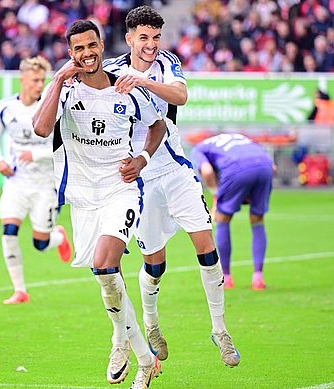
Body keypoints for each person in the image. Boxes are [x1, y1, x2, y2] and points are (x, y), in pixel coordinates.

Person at [33, 20, 168, 389]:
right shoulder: (64, 89)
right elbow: (42, 128)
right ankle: (123, 340)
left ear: (101, 44)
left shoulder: (126, 86)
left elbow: (158, 126)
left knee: (105, 263)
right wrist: (58, 80)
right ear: (71, 53)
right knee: (108, 278)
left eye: (91, 45)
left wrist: (141, 158)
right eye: (78, 49)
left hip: (121, 189)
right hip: (82, 197)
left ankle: (139, 357)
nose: (86, 54)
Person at [103, 5, 240, 367]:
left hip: (175, 169)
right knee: (155, 263)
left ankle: (220, 330)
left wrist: (143, 80)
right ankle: (151, 325)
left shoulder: (167, 64)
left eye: (156, 37)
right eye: (143, 38)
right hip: (141, 180)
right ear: (129, 38)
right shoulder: (111, 71)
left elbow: (180, 97)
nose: (151, 44)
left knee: (205, 244)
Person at [0, 56, 72, 305]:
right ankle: (20, 290)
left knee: (40, 243)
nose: (39, 85)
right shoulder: (6, 107)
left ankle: (57, 236)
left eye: (42, 80)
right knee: (9, 232)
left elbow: (63, 147)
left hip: (45, 185)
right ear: (22, 79)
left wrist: (34, 154)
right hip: (16, 183)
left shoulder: (50, 108)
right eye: (35, 80)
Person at [189, 133, 274, 290]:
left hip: (236, 168)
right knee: (257, 220)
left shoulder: (198, 149)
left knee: (222, 220)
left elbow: (207, 172)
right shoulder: (240, 138)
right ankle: (258, 278)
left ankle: (226, 278)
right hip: (265, 166)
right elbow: (273, 168)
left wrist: (216, 194)